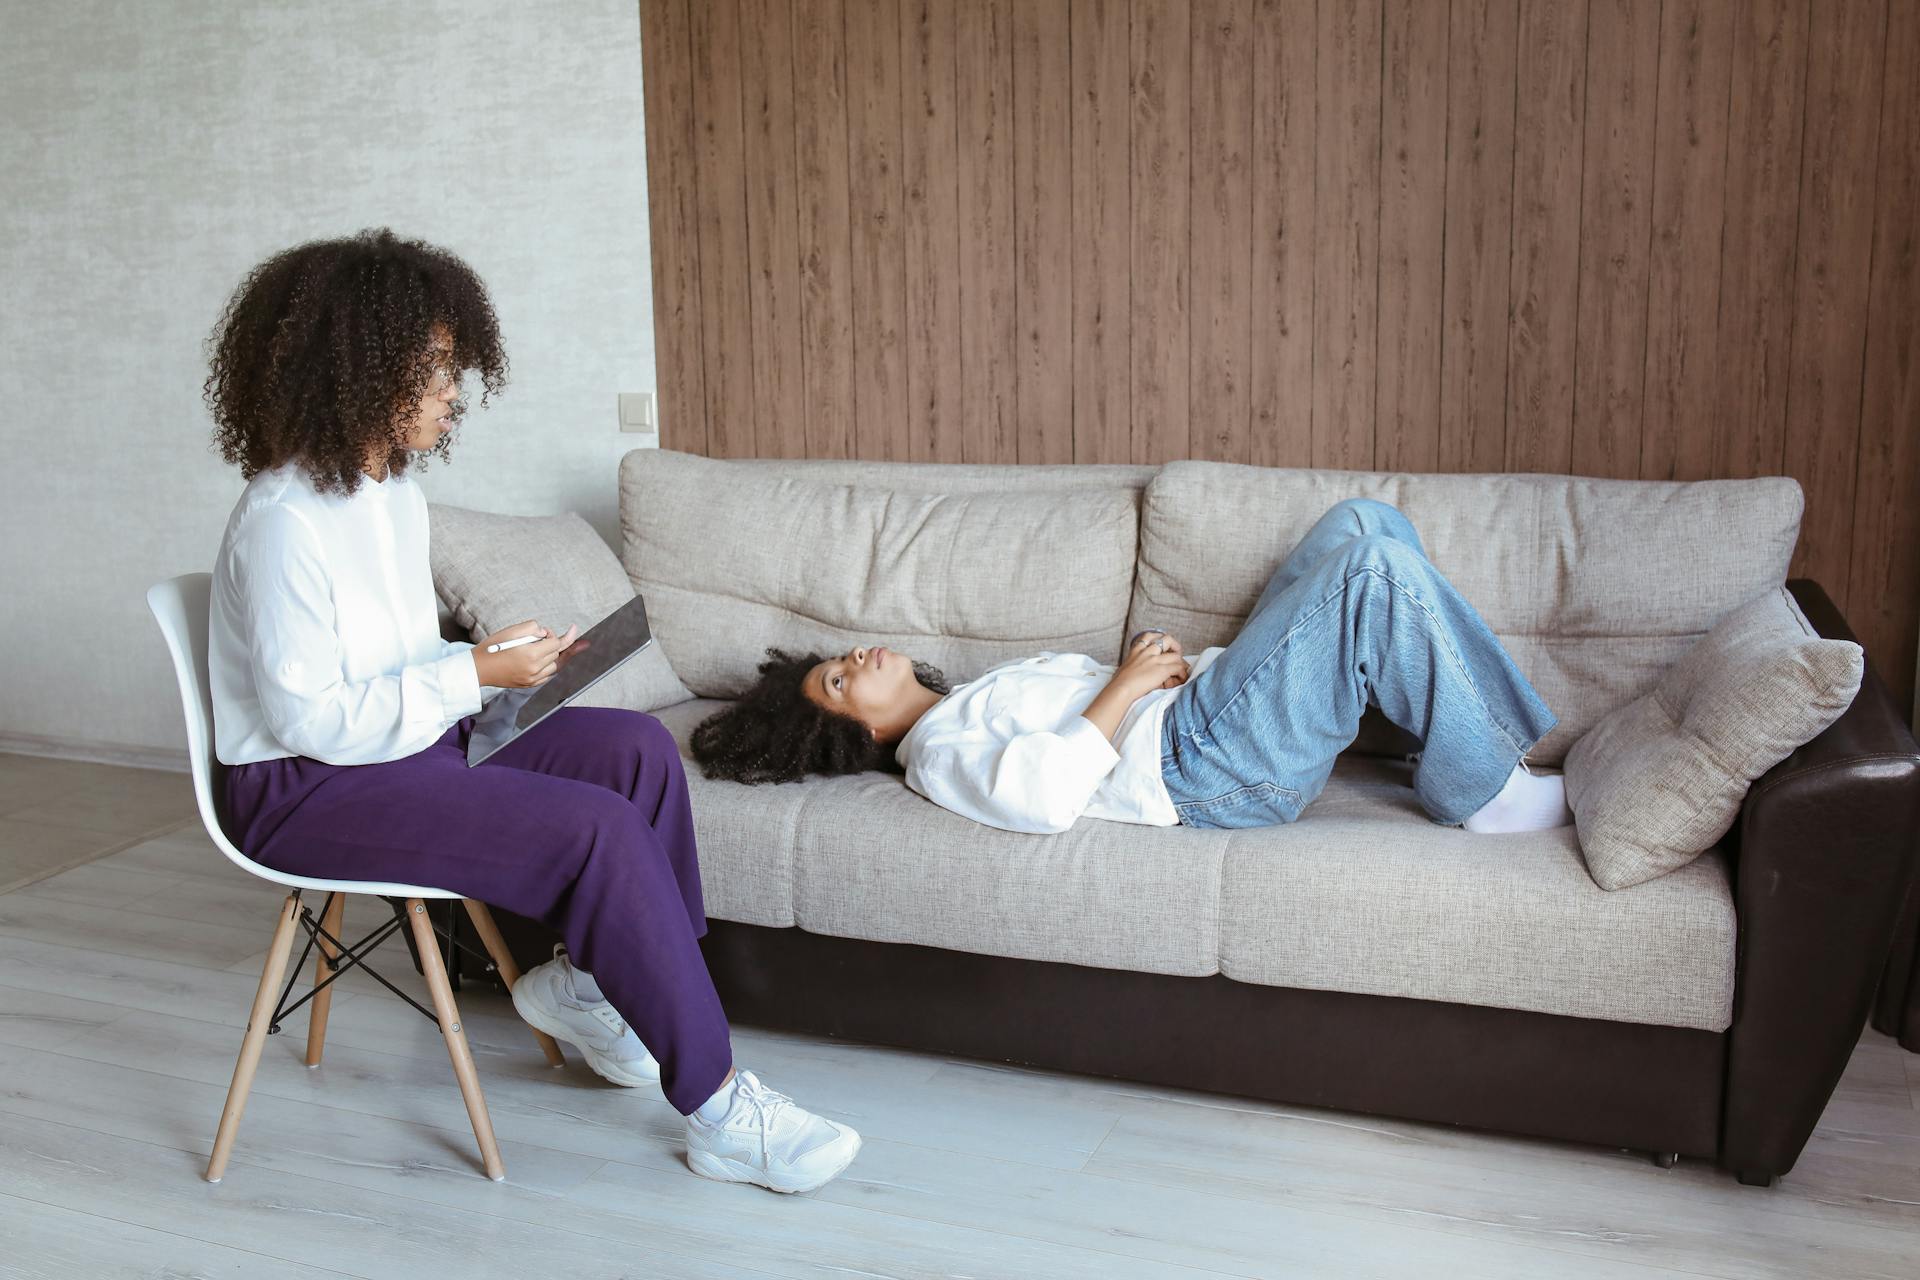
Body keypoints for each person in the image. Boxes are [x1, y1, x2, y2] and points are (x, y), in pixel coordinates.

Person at [202, 227, 860, 1194]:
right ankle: (720, 1107)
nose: (450, 391)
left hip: (403, 745)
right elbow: (311, 724)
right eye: (430, 370)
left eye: (449, 367)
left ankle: (592, 986)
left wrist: (491, 661)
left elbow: (388, 663)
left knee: (637, 750)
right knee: (594, 831)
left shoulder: (389, 496)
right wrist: (469, 678)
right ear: (355, 371)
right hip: (304, 789)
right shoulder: (283, 523)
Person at [690, 498, 1571, 836]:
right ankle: (1484, 788)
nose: (855, 659)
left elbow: (1088, 716)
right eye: (842, 682)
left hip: (1202, 715)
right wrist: (1126, 684)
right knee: (1370, 572)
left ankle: (1441, 734)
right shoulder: (934, 753)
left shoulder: (972, 693)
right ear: (864, 731)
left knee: (1361, 524)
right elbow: (1040, 799)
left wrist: (1155, 672)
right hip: (1203, 768)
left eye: (840, 658)